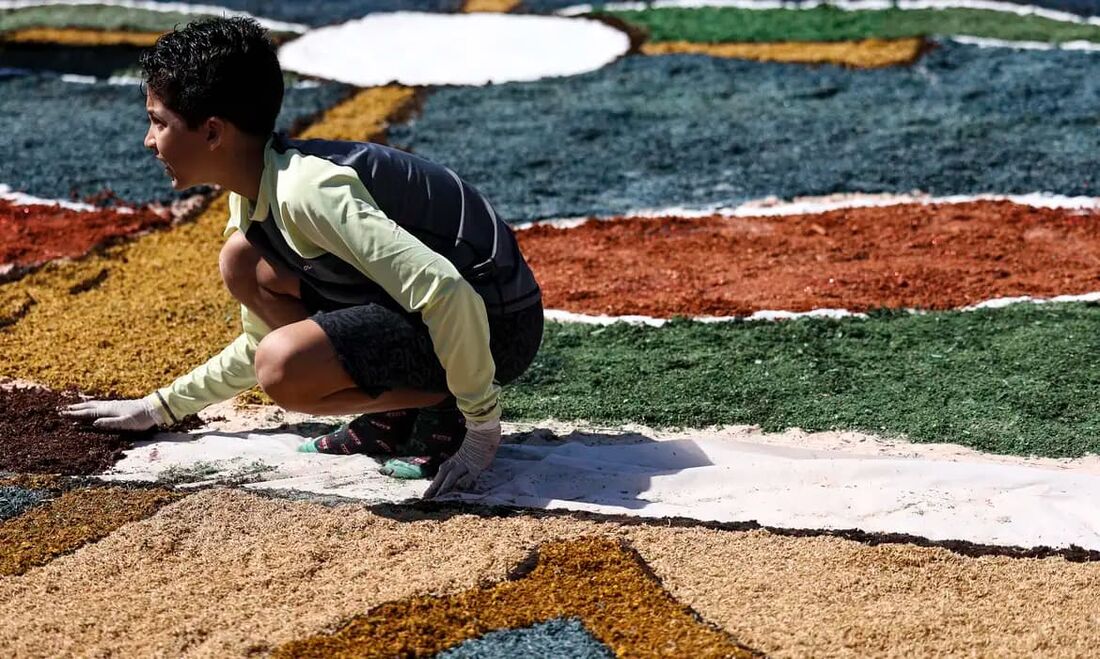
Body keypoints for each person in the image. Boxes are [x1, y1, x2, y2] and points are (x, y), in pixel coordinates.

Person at [61, 17, 543, 498]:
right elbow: (262, 342)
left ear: (212, 132)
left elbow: (446, 290)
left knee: (285, 371)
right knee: (242, 263)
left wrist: (481, 427)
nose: (149, 140)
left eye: (159, 122)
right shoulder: (255, 189)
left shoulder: (308, 191)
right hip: (444, 313)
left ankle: (447, 408)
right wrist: (159, 407)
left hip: (499, 324)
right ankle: (397, 409)